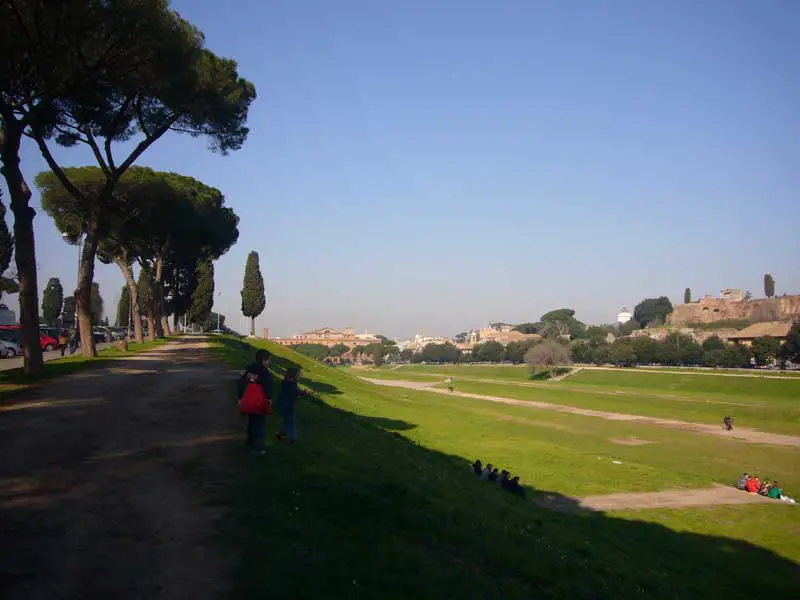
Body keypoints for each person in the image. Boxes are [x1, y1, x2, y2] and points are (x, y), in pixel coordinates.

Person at [238, 349, 273, 455]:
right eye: (268, 360)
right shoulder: (264, 371)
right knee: (260, 426)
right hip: (259, 402)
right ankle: (258, 448)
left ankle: (249, 444)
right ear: (263, 360)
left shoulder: (249, 369)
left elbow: (241, 382)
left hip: (248, 401)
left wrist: (239, 397)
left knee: (252, 424)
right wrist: (269, 398)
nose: (268, 363)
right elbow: (267, 386)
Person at [276, 366, 301, 443]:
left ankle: (280, 433)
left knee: (287, 420)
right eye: (299, 374)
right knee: (292, 421)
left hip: (283, 404)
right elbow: (294, 393)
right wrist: (303, 393)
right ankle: (292, 438)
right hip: (288, 405)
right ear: (295, 375)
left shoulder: (286, 382)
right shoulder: (292, 384)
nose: (300, 376)